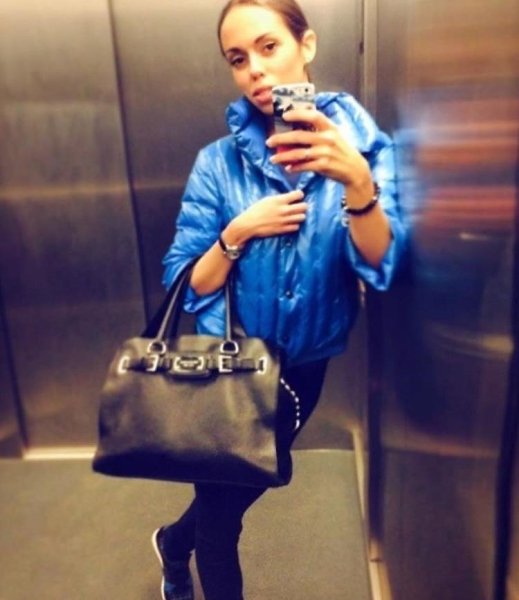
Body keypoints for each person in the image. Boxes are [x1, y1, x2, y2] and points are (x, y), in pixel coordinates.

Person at [152, 1, 406, 598]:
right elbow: (186, 283)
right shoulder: (216, 164)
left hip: (304, 371)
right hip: (230, 368)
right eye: (238, 59)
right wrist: (237, 232)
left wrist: (358, 184)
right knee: (222, 521)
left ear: (306, 45)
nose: (255, 71)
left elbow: (381, 266)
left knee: (242, 485)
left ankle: (172, 541)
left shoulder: (366, 151)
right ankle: (180, 556)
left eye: (269, 47)